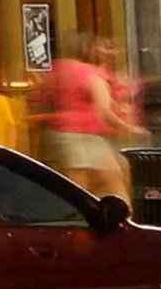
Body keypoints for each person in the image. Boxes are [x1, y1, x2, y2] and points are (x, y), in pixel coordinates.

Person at [32, 27, 132, 204]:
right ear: (88, 49)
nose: (106, 53)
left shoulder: (56, 68)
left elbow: (38, 98)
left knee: (78, 182)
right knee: (110, 182)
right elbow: (104, 110)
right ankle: (121, 222)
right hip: (84, 134)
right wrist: (126, 127)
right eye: (100, 48)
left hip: (59, 134)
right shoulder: (91, 73)